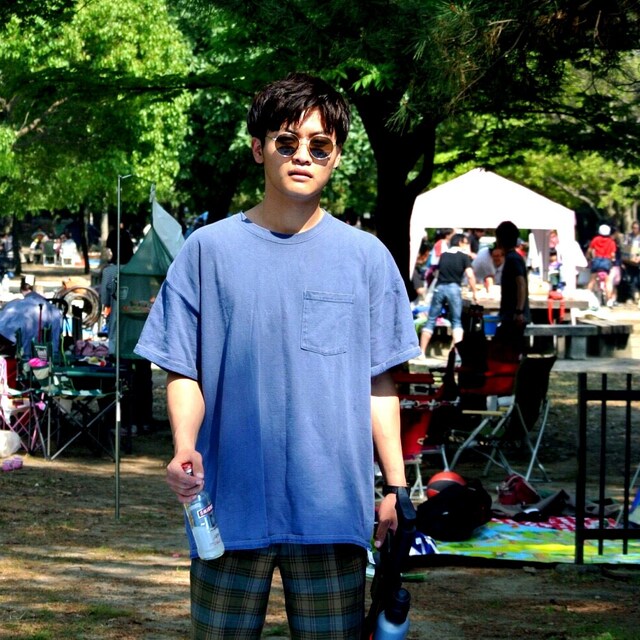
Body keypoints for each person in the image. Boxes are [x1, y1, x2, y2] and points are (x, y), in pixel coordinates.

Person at [134, 73, 420, 639]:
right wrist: (184, 446)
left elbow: (379, 383)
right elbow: (183, 369)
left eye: (320, 144)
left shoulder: (366, 258)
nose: (302, 156)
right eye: (286, 142)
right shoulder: (206, 251)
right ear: (258, 147)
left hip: (332, 510)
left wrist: (397, 487)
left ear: (336, 155)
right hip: (227, 507)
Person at [417, 233, 478, 358]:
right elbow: (470, 275)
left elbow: (437, 272)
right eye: (466, 243)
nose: (467, 245)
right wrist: (475, 292)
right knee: (456, 321)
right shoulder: (463, 256)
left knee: (431, 320)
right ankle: (457, 355)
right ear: (460, 242)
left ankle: (421, 352)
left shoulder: (443, 255)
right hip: (454, 288)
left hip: (439, 287)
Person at [0, 275, 62, 358]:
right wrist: (54, 353)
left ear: (21, 289)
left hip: (11, 343)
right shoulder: (52, 309)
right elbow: (55, 335)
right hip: (36, 351)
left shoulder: (13, 304)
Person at [494, 221, 529, 357]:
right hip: (510, 314)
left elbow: (521, 284)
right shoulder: (513, 257)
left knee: (508, 351)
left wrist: (519, 311)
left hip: (513, 315)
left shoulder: (513, 259)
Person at [586, 223, 617, 307]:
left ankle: (587, 298)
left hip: (596, 261)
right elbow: (613, 254)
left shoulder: (595, 239)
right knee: (608, 281)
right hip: (606, 262)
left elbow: (589, 250)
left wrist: (588, 258)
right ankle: (609, 300)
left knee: (592, 280)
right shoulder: (611, 241)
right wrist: (611, 261)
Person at [622, 220, 640, 305]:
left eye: (636, 228)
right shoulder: (628, 237)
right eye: (633, 228)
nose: (634, 229)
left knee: (638, 279)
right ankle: (631, 297)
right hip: (630, 262)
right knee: (630, 280)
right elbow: (625, 248)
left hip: (638, 261)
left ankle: (637, 295)